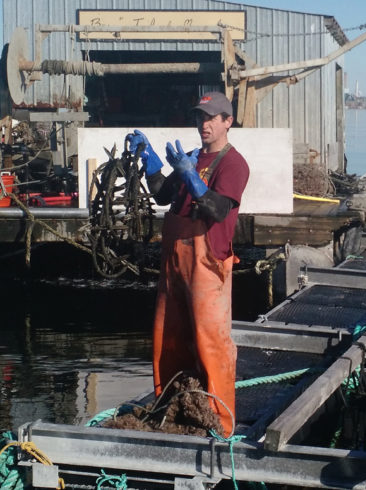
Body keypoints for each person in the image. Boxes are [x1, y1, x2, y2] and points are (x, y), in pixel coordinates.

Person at [126, 92, 249, 437]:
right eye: (200, 117)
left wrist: (192, 178)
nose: (204, 124)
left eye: (212, 118)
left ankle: (219, 423)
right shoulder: (192, 158)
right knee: (169, 339)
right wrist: (151, 161)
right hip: (175, 262)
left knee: (212, 343)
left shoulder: (233, 164)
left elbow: (218, 210)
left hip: (208, 266)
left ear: (228, 121)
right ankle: (173, 408)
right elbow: (164, 195)